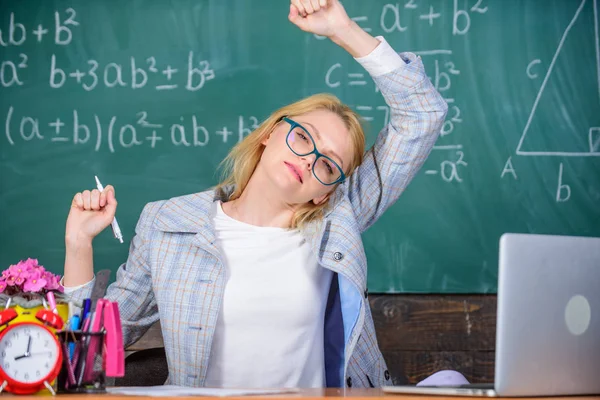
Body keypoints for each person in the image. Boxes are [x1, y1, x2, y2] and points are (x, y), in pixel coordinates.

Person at [63, 0, 447, 389]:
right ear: (269, 134)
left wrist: (342, 30)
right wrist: (79, 244)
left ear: (323, 193)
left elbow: (422, 116)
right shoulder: (168, 224)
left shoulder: (338, 218)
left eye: (328, 165)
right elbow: (88, 356)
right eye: (303, 136)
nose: (309, 158)